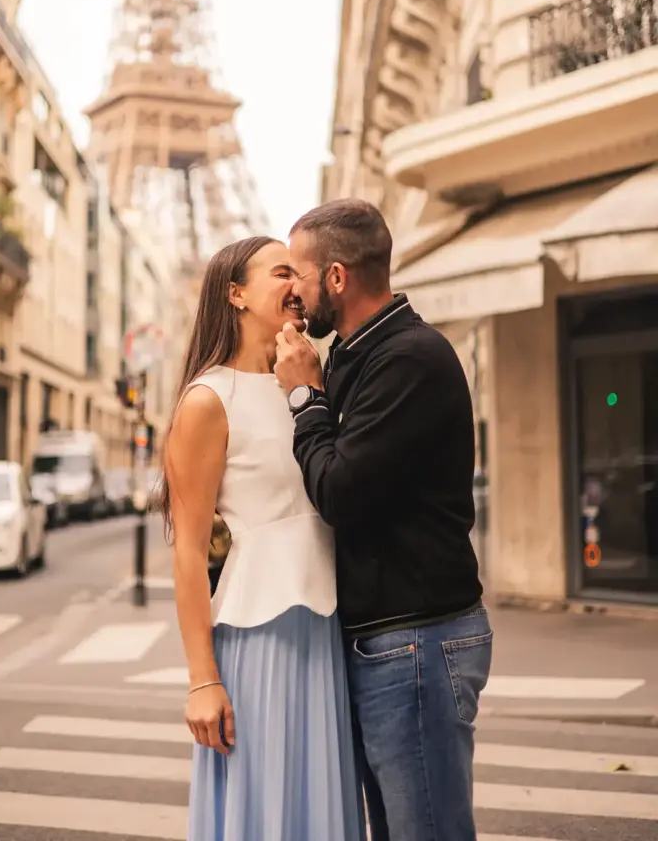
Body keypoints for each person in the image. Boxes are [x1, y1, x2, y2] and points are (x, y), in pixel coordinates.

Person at [274, 198, 492, 841]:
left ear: (336, 278)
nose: (293, 292)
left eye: (299, 274)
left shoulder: (409, 359)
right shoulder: (352, 355)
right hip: (389, 638)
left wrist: (303, 398)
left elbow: (340, 490)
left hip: (416, 640)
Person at [161, 235, 366, 841]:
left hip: (327, 628)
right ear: (236, 294)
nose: (295, 286)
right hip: (260, 637)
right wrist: (203, 680)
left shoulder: (307, 379)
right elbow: (188, 552)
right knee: (269, 810)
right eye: (280, 272)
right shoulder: (208, 399)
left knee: (320, 808)